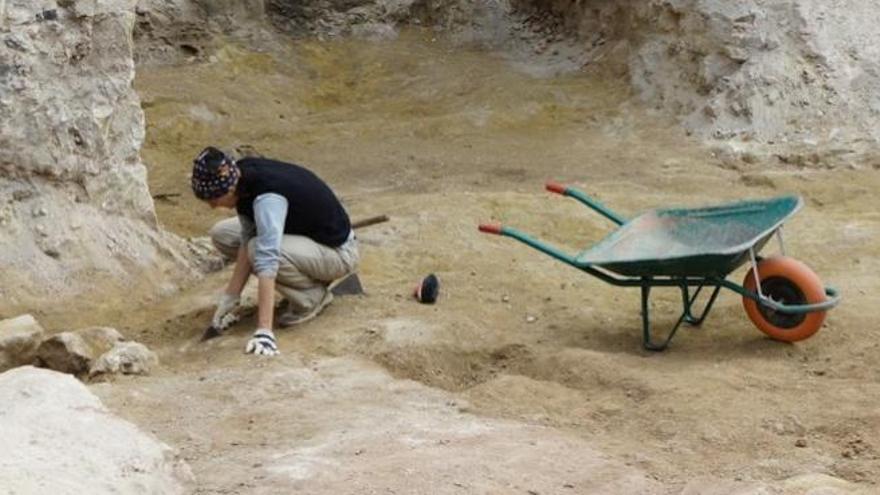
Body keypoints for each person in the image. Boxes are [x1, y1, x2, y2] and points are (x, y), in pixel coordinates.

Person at [191, 147, 359, 356]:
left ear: (227, 190)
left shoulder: (267, 197)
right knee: (222, 233)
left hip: (337, 253)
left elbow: (266, 259)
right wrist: (230, 297)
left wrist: (264, 331)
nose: (212, 206)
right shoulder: (240, 177)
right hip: (304, 240)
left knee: (258, 249)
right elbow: (246, 236)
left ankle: (311, 297)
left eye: (214, 200)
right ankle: (304, 282)